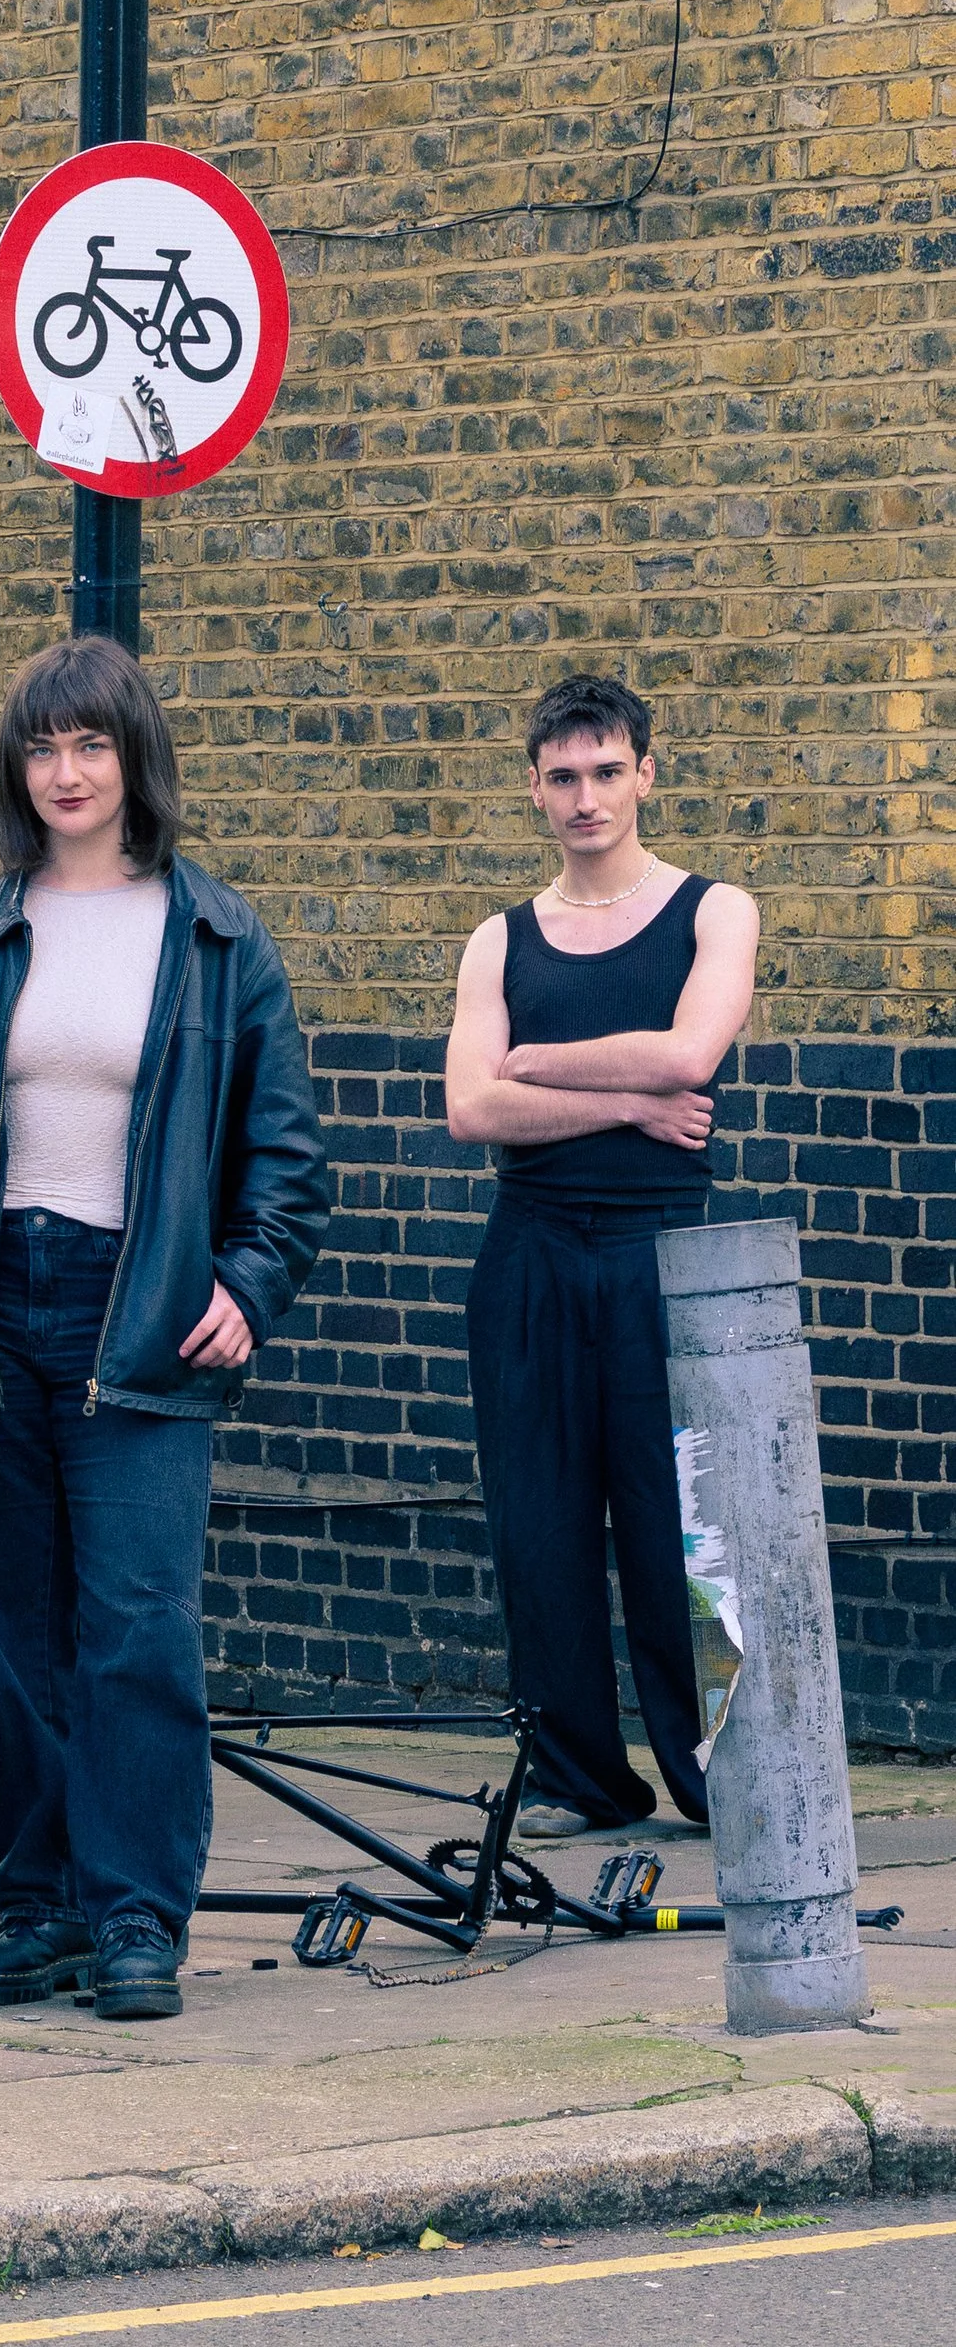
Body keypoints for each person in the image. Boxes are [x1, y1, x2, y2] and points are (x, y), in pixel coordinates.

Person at [0, 639, 327, 2017]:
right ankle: (43, 1904)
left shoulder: (218, 936)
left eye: (90, 745)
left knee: (135, 1631)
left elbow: (287, 1155)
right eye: (41, 747)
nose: (64, 772)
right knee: (10, 1635)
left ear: (135, 758)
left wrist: (248, 1283)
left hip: (146, 1313)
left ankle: (135, 1920)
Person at [445, 672, 760, 1839]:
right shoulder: (500, 938)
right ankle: (580, 1777)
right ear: (534, 788)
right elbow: (470, 1110)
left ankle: (716, 1777)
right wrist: (623, 1103)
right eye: (563, 776)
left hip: (657, 1255)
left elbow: (687, 1055)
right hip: (527, 1256)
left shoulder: (713, 911)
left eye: (607, 771)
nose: (586, 796)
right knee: (541, 1528)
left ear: (645, 774)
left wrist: (534, 1062)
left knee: (685, 1528)